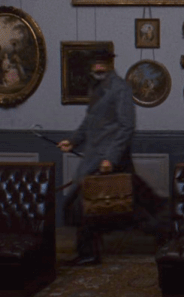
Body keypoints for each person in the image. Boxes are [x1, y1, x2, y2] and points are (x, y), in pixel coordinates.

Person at [58, 48, 136, 265]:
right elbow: (90, 121)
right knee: (86, 205)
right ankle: (89, 251)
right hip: (94, 155)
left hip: (108, 159)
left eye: (103, 63)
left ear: (111, 65)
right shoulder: (96, 87)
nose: (99, 67)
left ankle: (88, 253)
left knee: (85, 205)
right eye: (96, 63)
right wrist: (73, 141)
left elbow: (126, 126)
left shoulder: (120, 88)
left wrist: (110, 158)